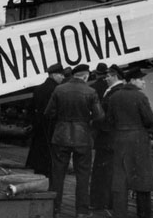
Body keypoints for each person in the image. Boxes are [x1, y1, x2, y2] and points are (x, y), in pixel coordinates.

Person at [44, 64, 104, 217]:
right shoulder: (91, 91)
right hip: (83, 137)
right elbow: (99, 116)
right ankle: (82, 212)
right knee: (83, 176)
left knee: (57, 175)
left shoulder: (59, 89)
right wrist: (86, 120)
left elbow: (49, 112)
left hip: (61, 136)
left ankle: (55, 210)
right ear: (85, 76)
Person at [107, 67, 153, 218]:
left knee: (120, 179)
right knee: (142, 178)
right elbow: (150, 120)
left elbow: (109, 120)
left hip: (120, 140)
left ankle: (119, 214)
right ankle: (143, 214)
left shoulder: (114, 96)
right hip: (138, 141)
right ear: (133, 80)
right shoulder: (140, 97)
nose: (144, 83)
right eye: (141, 79)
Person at [90, 64, 126, 213]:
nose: (106, 78)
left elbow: (110, 116)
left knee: (104, 171)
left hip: (107, 138)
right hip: (109, 138)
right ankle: (106, 201)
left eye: (108, 76)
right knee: (107, 171)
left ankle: (101, 202)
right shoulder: (113, 91)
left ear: (115, 76)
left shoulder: (115, 92)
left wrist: (96, 120)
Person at [25, 63, 65, 177]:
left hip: (39, 127)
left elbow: (31, 108)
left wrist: (33, 123)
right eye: (61, 75)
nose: (63, 78)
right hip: (51, 128)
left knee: (39, 158)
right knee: (50, 160)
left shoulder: (39, 88)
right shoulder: (56, 89)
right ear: (54, 75)